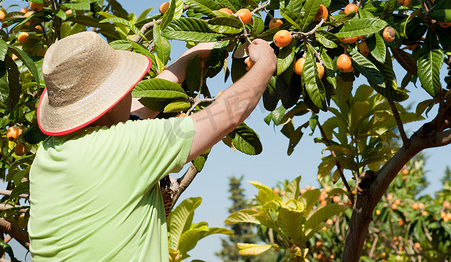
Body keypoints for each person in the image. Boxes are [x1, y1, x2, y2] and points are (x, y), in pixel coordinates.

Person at [29, 31, 276, 261]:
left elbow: (134, 110)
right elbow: (225, 115)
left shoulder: (47, 154)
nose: (130, 93)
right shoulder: (128, 146)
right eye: (124, 87)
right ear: (112, 98)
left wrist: (187, 58)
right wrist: (265, 64)